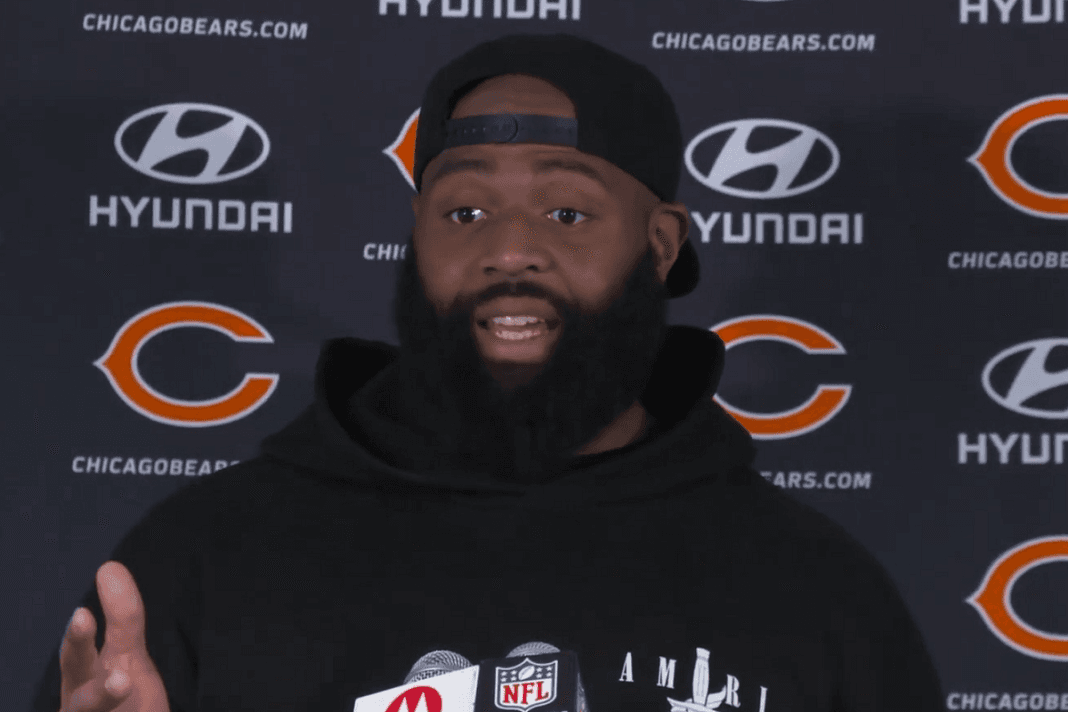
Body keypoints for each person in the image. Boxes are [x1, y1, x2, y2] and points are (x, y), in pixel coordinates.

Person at [34, 33, 944, 712]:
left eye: (568, 213)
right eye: (464, 211)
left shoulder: (813, 591)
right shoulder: (207, 557)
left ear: (661, 244)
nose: (510, 251)